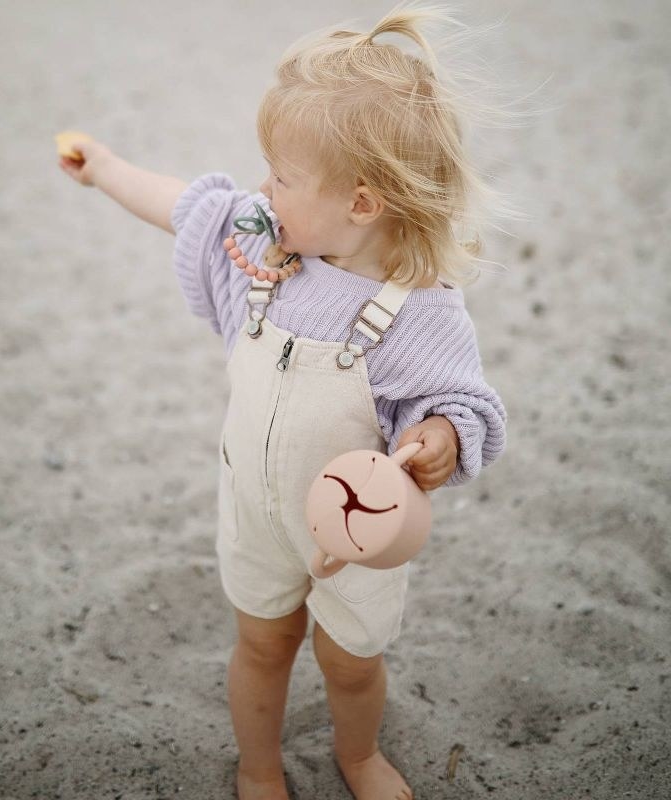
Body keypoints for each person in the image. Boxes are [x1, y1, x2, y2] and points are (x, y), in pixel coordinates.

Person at [58, 6, 506, 799]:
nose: (263, 188)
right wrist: (105, 168)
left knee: (351, 661)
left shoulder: (419, 308)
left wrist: (439, 436)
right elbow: (182, 206)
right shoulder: (263, 248)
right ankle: (259, 765)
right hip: (257, 513)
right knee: (261, 646)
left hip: (353, 530)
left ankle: (358, 755)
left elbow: (462, 403)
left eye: (283, 177)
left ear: (362, 204)